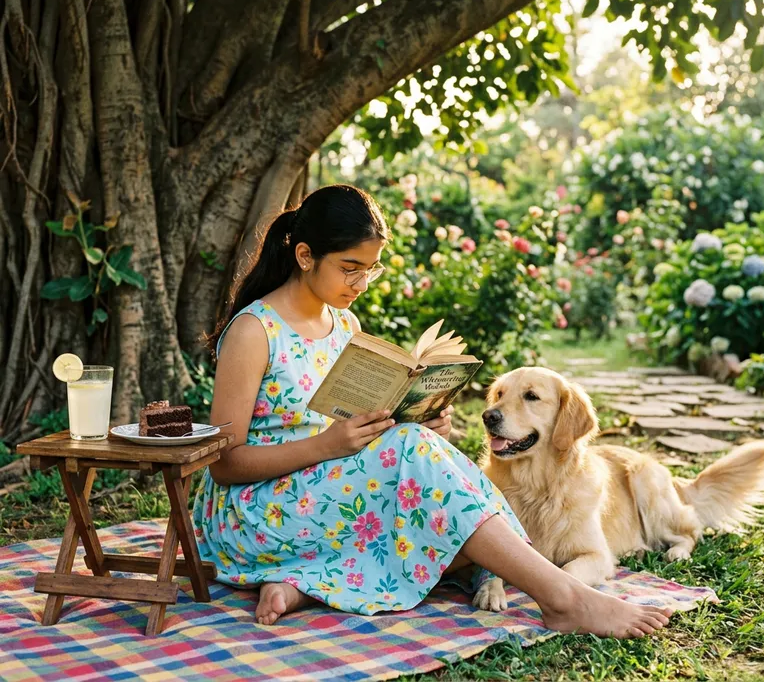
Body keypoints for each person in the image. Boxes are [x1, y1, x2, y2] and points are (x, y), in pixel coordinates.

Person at [192, 184, 671, 638]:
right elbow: (225, 463)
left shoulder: (344, 322)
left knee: (420, 452)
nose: (361, 283)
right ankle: (562, 596)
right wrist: (329, 444)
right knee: (421, 475)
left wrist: (413, 418)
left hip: (325, 493)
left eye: (371, 269)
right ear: (304, 256)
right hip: (255, 511)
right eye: (350, 267)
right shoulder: (255, 331)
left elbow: (354, 424)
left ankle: (302, 585)